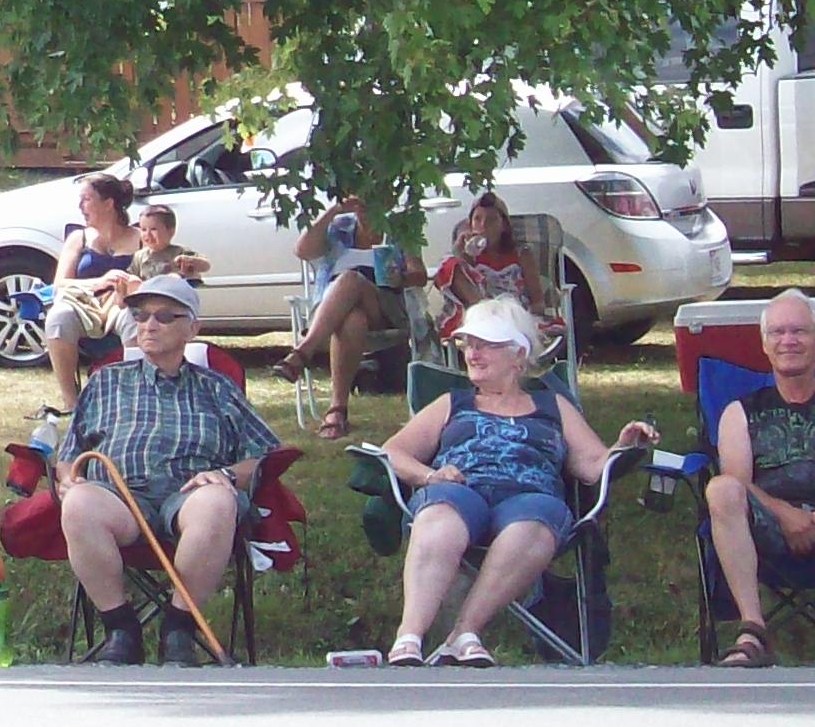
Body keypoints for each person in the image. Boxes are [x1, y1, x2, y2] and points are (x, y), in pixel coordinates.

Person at [376, 295, 656, 664]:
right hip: (460, 491)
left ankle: (464, 634)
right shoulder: (452, 403)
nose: (473, 354)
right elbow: (393, 451)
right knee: (439, 515)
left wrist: (624, 444)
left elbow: (592, 466)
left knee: (536, 522)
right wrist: (430, 475)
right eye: (469, 345)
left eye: (486, 345)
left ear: (519, 354)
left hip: (529, 499)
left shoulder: (553, 408)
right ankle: (408, 638)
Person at [56, 274, 279, 665]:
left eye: (163, 316)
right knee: (78, 503)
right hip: (120, 498)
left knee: (216, 502)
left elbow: (262, 453)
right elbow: (70, 454)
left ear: (192, 327)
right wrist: (66, 479)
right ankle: (121, 629)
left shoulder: (217, 387)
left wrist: (227, 476)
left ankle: (179, 626)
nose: (149, 325)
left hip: (189, 496)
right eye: (140, 315)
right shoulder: (106, 381)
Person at [702, 288, 815, 668]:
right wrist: (784, 514)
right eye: (778, 333)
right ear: (765, 345)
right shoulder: (741, 412)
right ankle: (753, 630)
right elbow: (737, 481)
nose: (789, 341)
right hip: (767, 529)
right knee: (721, 488)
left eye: (800, 331)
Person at [276, 189, 401, 441]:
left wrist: (401, 275)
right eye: (361, 203)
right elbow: (303, 251)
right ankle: (337, 411)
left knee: (351, 278)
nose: (365, 208)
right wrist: (333, 211)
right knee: (352, 320)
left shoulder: (399, 230)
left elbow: (419, 273)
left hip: (383, 309)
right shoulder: (340, 227)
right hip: (333, 314)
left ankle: (302, 352)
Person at [42, 174, 143, 410]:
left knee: (133, 319)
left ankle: (137, 395)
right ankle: (71, 402)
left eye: (86, 199)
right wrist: (99, 282)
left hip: (122, 304)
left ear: (108, 204)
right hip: (84, 305)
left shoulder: (140, 238)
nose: (80, 206)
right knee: (58, 317)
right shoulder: (79, 238)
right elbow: (60, 284)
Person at [428, 191, 541, 339]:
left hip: (514, 316)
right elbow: (444, 278)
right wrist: (460, 254)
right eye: (477, 220)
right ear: (470, 225)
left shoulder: (521, 254)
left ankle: (494, 321)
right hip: (478, 318)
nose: (483, 226)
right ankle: (489, 318)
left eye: (491, 220)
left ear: (504, 226)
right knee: (449, 263)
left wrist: (526, 320)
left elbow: (538, 301)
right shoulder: (469, 256)